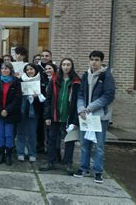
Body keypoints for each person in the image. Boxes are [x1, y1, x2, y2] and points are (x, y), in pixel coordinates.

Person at [74, 51, 115, 184]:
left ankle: (98, 171)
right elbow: (80, 94)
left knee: (99, 145)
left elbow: (108, 96)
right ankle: (83, 168)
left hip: (99, 116)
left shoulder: (107, 75)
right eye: (92, 59)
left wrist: (90, 107)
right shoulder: (86, 75)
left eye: (97, 60)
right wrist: (81, 109)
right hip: (86, 115)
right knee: (84, 143)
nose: (94, 62)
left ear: (101, 62)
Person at [40, 58, 81, 173]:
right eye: (64, 64)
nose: (66, 67)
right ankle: (51, 162)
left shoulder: (77, 82)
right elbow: (48, 99)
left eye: (68, 65)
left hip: (69, 116)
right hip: (55, 116)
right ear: (60, 66)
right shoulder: (54, 80)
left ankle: (68, 163)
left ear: (71, 66)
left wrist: (75, 120)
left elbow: (79, 101)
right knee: (52, 139)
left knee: (69, 140)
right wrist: (47, 116)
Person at [0, 62, 22, 166]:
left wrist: (7, 110)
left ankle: (8, 155)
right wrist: (0, 110)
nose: (4, 70)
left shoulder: (16, 81)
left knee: (8, 134)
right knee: (0, 134)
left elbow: (18, 98)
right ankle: (1, 154)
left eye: (7, 68)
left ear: (10, 70)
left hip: (10, 113)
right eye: (3, 68)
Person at [17, 63, 47, 163]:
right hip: (22, 109)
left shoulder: (41, 81)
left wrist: (37, 97)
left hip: (34, 110)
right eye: (28, 69)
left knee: (32, 133)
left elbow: (45, 98)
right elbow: (15, 95)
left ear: (35, 70)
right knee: (21, 132)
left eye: (31, 69)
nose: (29, 71)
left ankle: (32, 153)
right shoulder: (21, 80)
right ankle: (20, 152)